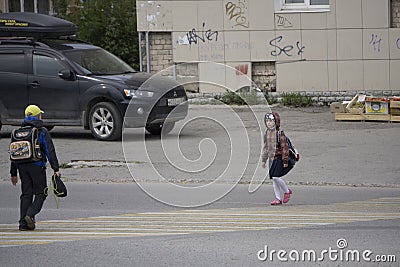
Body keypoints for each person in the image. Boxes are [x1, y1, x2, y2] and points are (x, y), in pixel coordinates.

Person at [10, 105, 60, 230]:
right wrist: (56, 168)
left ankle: (23, 224)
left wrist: (13, 173)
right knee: (41, 193)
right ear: (38, 116)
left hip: (21, 167)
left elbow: (14, 154)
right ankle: (30, 214)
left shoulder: (16, 133)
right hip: (37, 166)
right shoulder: (41, 131)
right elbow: (50, 150)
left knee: (26, 194)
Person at [261, 112, 293, 205]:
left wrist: (285, 159)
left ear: (276, 122)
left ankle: (287, 191)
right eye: (267, 121)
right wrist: (264, 160)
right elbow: (266, 147)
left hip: (279, 158)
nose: (268, 123)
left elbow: (285, 147)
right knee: (274, 179)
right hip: (272, 159)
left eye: (271, 121)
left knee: (276, 177)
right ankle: (278, 198)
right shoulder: (267, 133)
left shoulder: (279, 133)